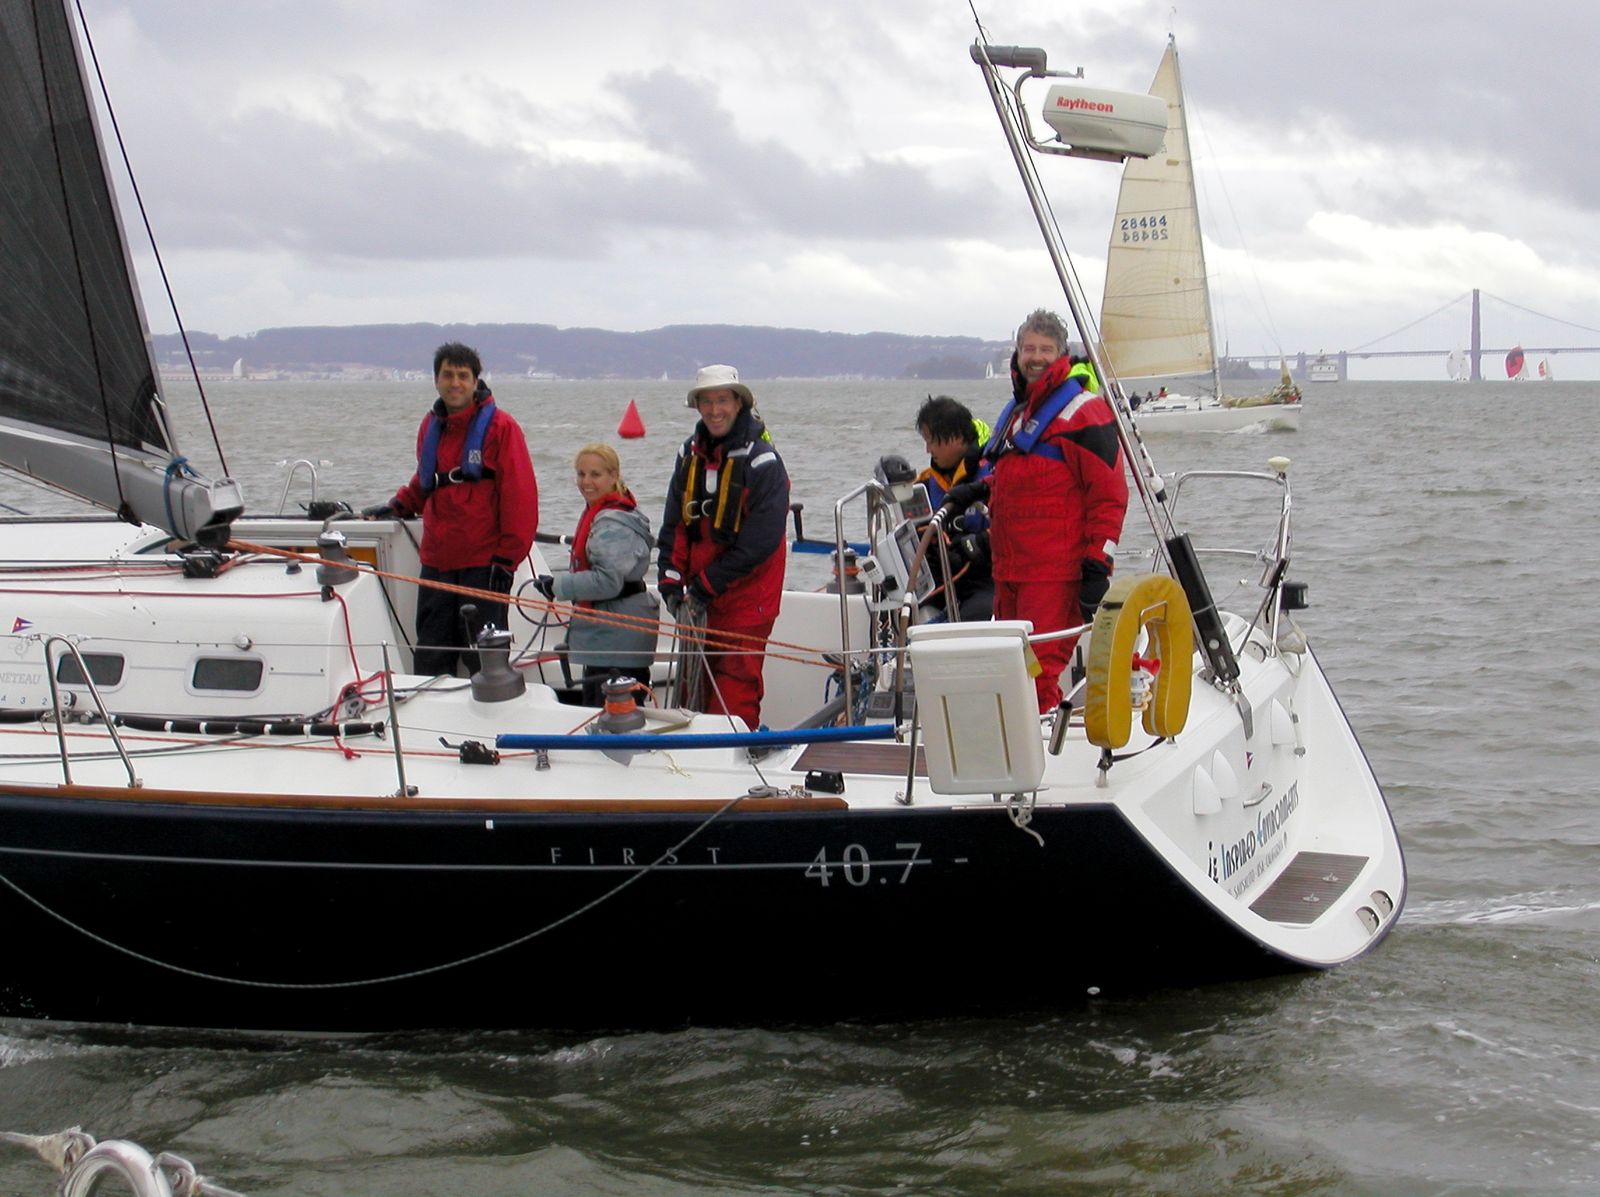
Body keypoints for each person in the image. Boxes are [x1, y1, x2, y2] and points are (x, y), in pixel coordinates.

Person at [944, 310, 1128, 712]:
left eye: (1045, 349)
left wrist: (1098, 564)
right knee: (1012, 671)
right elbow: (1022, 477)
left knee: (1038, 678)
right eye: (1029, 348)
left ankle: (1040, 751)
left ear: (1061, 355)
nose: (1036, 357)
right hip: (1010, 572)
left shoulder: (1085, 412)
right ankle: (1016, 745)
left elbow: (1110, 496)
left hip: (1054, 575)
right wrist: (976, 489)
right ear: (1018, 353)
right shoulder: (1018, 414)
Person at [364, 342, 537, 676]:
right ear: (436, 380)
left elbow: (521, 499)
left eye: (462, 375)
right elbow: (426, 480)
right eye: (447, 375)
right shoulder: (430, 427)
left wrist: (507, 559)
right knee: (431, 655)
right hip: (437, 562)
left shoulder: (502, 428)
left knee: (484, 661)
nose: (455, 383)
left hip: (483, 565)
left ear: (475, 381)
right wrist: (398, 506)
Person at [657, 364, 789, 729]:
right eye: (707, 402)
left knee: (733, 699)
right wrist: (670, 580)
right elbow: (674, 526)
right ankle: (695, 758)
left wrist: (707, 585)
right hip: (701, 604)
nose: (715, 410)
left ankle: (735, 754)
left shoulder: (763, 463)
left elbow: (761, 541)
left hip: (746, 605)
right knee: (692, 695)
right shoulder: (688, 456)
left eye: (722, 400)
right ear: (698, 406)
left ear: (738, 403)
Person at [536, 443, 659, 706]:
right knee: (599, 712)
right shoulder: (608, 513)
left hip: (617, 639)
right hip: (609, 636)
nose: (586, 482)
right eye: (581, 474)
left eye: (595, 474)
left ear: (613, 476)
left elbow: (607, 582)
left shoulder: (612, 522)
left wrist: (557, 586)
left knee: (610, 716)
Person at [914, 395, 994, 622]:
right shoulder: (926, 482)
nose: (928, 449)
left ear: (957, 437)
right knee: (894, 604)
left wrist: (979, 543)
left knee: (976, 614)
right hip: (943, 578)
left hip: (985, 579)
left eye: (931, 441)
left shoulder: (994, 474)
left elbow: (1016, 527)